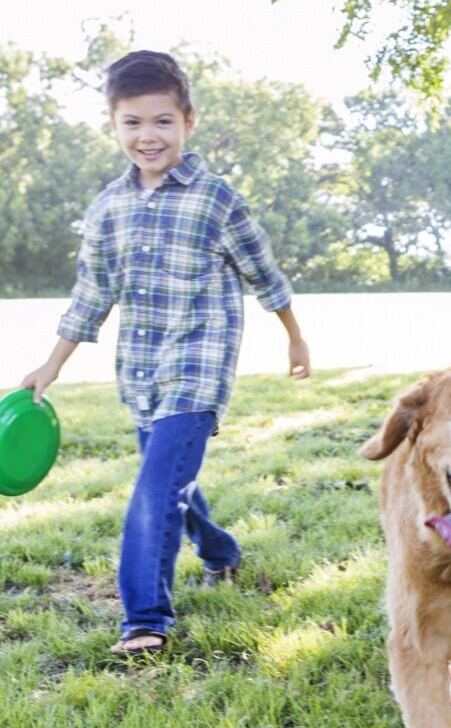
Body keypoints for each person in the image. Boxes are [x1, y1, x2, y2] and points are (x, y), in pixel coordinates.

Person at [21, 50, 310, 658]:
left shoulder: (216, 199)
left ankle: (144, 619)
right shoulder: (107, 208)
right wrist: (51, 366)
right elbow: (92, 294)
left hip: (198, 370)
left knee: (154, 489)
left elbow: (264, 272)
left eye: (161, 122)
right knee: (170, 478)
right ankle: (220, 551)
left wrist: (293, 335)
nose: (147, 136)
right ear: (114, 125)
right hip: (141, 373)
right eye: (132, 123)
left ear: (188, 122)